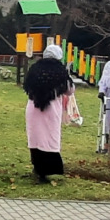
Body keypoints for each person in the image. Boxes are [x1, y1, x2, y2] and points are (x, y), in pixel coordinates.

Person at [24, 44, 73, 182]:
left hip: (34, 107)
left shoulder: (34, 69)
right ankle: (48, 170)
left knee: (35, 139)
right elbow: (69, 90)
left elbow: (27, 85)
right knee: (49, 138)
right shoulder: (60, 72)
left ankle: (38, 169)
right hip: (51, 109)